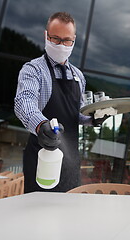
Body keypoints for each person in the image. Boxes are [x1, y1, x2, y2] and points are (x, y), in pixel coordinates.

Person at [14, 12, 108, 193]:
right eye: (55, 39)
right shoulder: (33, 69)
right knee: (38, 217)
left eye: (66, 41)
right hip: (42, 159)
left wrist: (92, 119)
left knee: (70, 215)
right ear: (46, 36)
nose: (61, 45)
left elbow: (76, 114)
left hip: (71, 161)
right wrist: (41, 125)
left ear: (73, 40)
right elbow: (24, 102)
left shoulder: (78, 76)